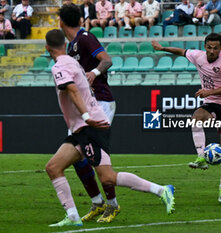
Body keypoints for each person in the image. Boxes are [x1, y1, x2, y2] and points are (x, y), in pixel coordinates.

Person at [45, 29, 175, 227]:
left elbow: (72, 89)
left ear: (47, 48)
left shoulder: (60, 66)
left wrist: (87, 117)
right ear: (64, 45)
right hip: (83, 128)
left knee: (108, 178)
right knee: (53, 167)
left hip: (89, 127)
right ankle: (73, 217)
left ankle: (162, 190)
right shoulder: (73, 62)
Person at [152, 33, 221, 204]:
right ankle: (201, 157)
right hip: (210, 102)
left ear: (220, 48)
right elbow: (181, 51)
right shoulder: (198, 56)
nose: (211, 51)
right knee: (195, 118)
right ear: (205, 46)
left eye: (215, 48)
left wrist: (208, 91)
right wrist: (162, 48)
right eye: (209, 47)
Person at [59, 4, 117, 223]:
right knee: (76, 156)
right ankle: (97, 202)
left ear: (61, 22)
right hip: (84, 106)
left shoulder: (85, 38)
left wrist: (93, 73)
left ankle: (112, 206)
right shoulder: (72, 45)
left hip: (100, 102)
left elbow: (107, 59)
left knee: (96, 156)